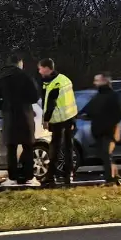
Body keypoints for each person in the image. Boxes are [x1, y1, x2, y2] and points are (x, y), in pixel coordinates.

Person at [0, 52, 41, 186]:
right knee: (28, 147)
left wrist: (5, 106)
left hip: (10, 117)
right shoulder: (26, 77)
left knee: (11, 149)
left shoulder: (1, 78)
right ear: (20, 63)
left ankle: (12, 178)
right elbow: (35, 96)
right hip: (25, 115)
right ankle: (29, 177)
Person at [38, 58, 77, 187]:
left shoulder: (55, 83)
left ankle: (51, 175)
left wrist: (46, 120)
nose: (39, 71)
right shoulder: (63, 79)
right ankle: (68, 175)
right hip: (69, 117)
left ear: (47, 68)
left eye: (40, 68)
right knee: (67, 147)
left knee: (55, 147)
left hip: (59, 120)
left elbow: (50, 104)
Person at [80, 71, 121, 184]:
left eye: (97, 80)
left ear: (105, 81)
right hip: (99, 131)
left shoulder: (113, 96)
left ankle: (110, 180)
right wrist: (85, 115)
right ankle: (115, 178)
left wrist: (108, 125)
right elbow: (89, 110)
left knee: (106, 153)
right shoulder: (98, 96)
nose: (95, 83)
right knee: (106, 155)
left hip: (109, 131)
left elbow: (118, 114)